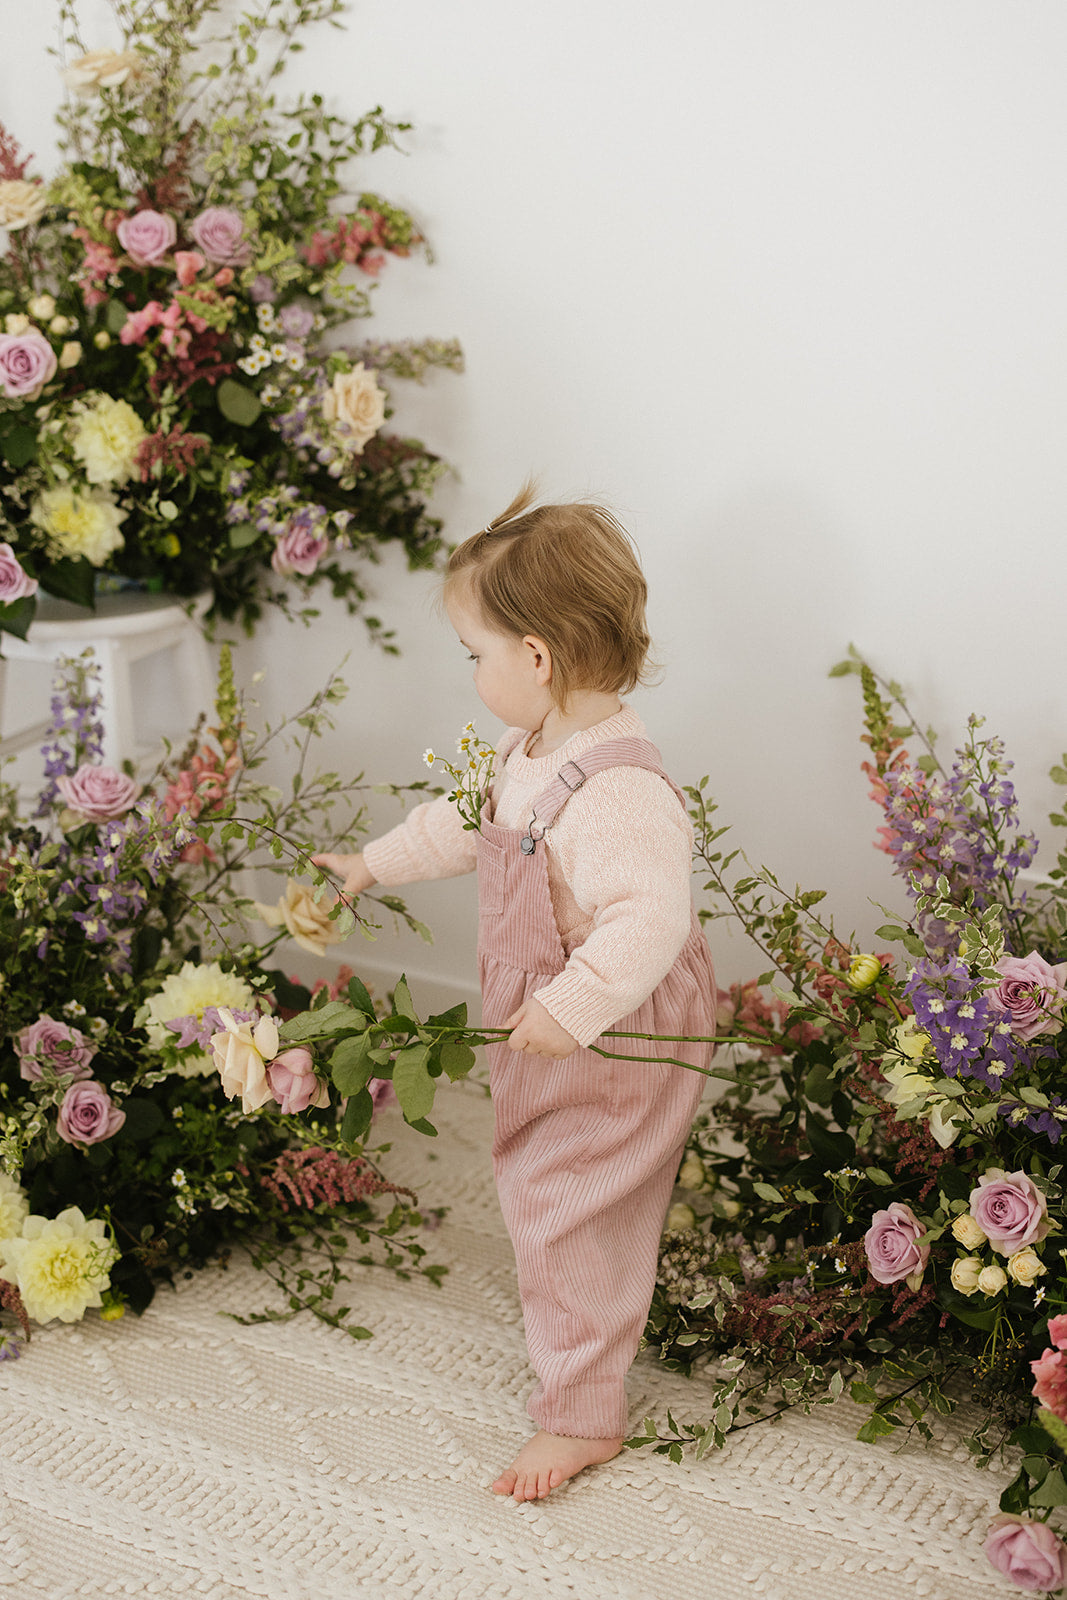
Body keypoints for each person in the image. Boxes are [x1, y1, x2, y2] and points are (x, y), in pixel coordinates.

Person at [312, 485, 716, 1502]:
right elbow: (467, 824)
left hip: (613, 1027)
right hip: (552, 1020)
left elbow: (647, 921)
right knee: (541, 1177)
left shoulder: (618, 788)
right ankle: (588, 1316)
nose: (472, 672)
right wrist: (372, 862)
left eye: (473, 652)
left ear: (534, 658)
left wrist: (572, 1006)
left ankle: (582, 1417)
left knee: (566, 1202)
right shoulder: (528, 753)